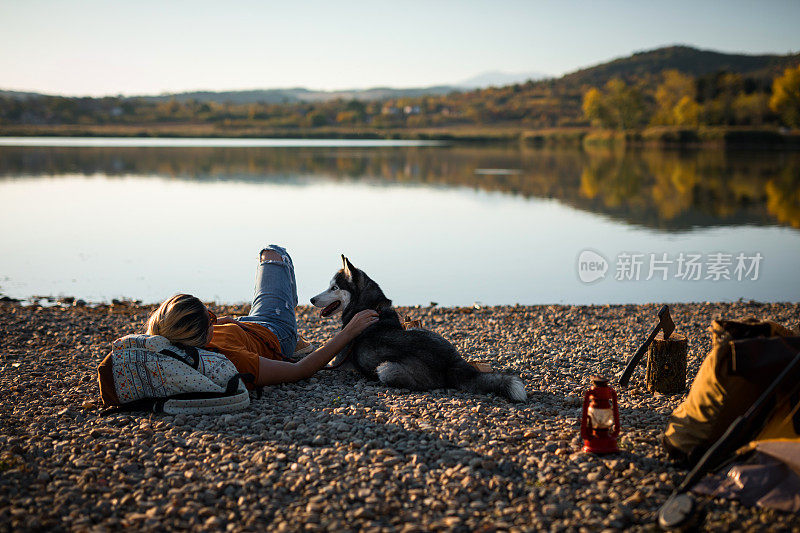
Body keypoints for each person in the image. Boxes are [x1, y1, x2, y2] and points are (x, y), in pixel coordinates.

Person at [145, 245, 378, 387]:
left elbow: (220, 325)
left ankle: (289, 324)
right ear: (202, 337)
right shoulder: (233, 359)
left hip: (247, 326)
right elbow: (300, 371)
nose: (215, 318)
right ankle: (292, 335)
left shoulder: (168, 338)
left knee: (267, 255)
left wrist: (231, 323)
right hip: (274, 330)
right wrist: (349, 332)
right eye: (210, 319)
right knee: (275, 253)